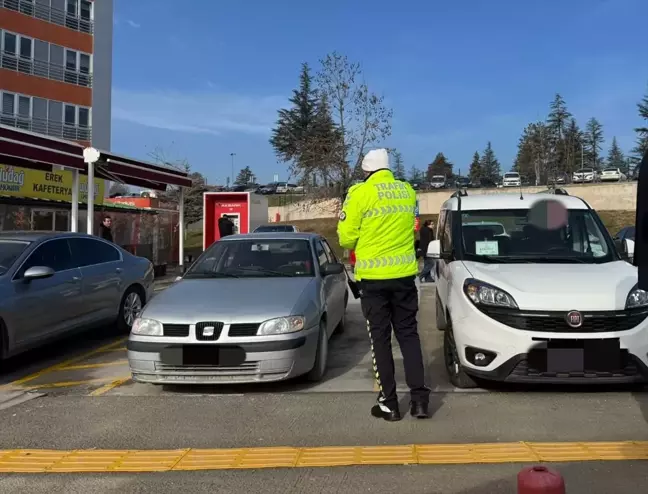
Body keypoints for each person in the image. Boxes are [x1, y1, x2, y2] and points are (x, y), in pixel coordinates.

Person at [337, 148, 431, 422]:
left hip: (374, 282)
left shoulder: (359, 193)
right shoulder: (407, 191)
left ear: (366, 171)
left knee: (380, 342)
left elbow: (345, 239)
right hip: (404, 277)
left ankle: (389, 404)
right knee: (409, 337)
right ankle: (420, 402)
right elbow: (413, 227)